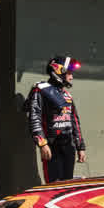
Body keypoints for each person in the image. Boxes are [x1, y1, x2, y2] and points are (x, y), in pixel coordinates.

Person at [28, 56, 85, 184]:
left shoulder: (67, 95)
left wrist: (80, 146)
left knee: (68, 185)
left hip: (68, 146)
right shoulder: (41, 90)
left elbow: (75, 122)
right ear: (59, 71)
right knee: (53, 186)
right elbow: (34, 118)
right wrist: (42, 144)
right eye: (69, 73)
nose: (72, 77)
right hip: (51, 146)